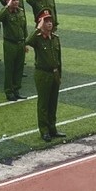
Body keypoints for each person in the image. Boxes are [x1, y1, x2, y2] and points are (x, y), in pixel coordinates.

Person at [26, 10, 65, 142]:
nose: (49, 23)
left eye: (50, 21)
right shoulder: (37, 39)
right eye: (46, 21)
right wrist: (38, 28)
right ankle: (44, 130)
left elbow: (59, 58)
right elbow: (28, 41)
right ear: (41, 23)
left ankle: (52, 128)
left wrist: (59, 75)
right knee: (43, 103)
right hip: (42, 74)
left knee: (53, 103)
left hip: (54, 73)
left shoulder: (55, 38)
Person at [0, 0, 28, 101]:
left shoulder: (21, 12)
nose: (16, 2)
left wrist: (26, 42)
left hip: (20, 43)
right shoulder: (6, 13)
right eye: (13, 0)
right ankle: (9, 91)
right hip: (10, 43)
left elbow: (24, 28)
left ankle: (16, 89)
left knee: (19, 68)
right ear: (8, 1)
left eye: (17, 0)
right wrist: (7, 7)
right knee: (10, 68)